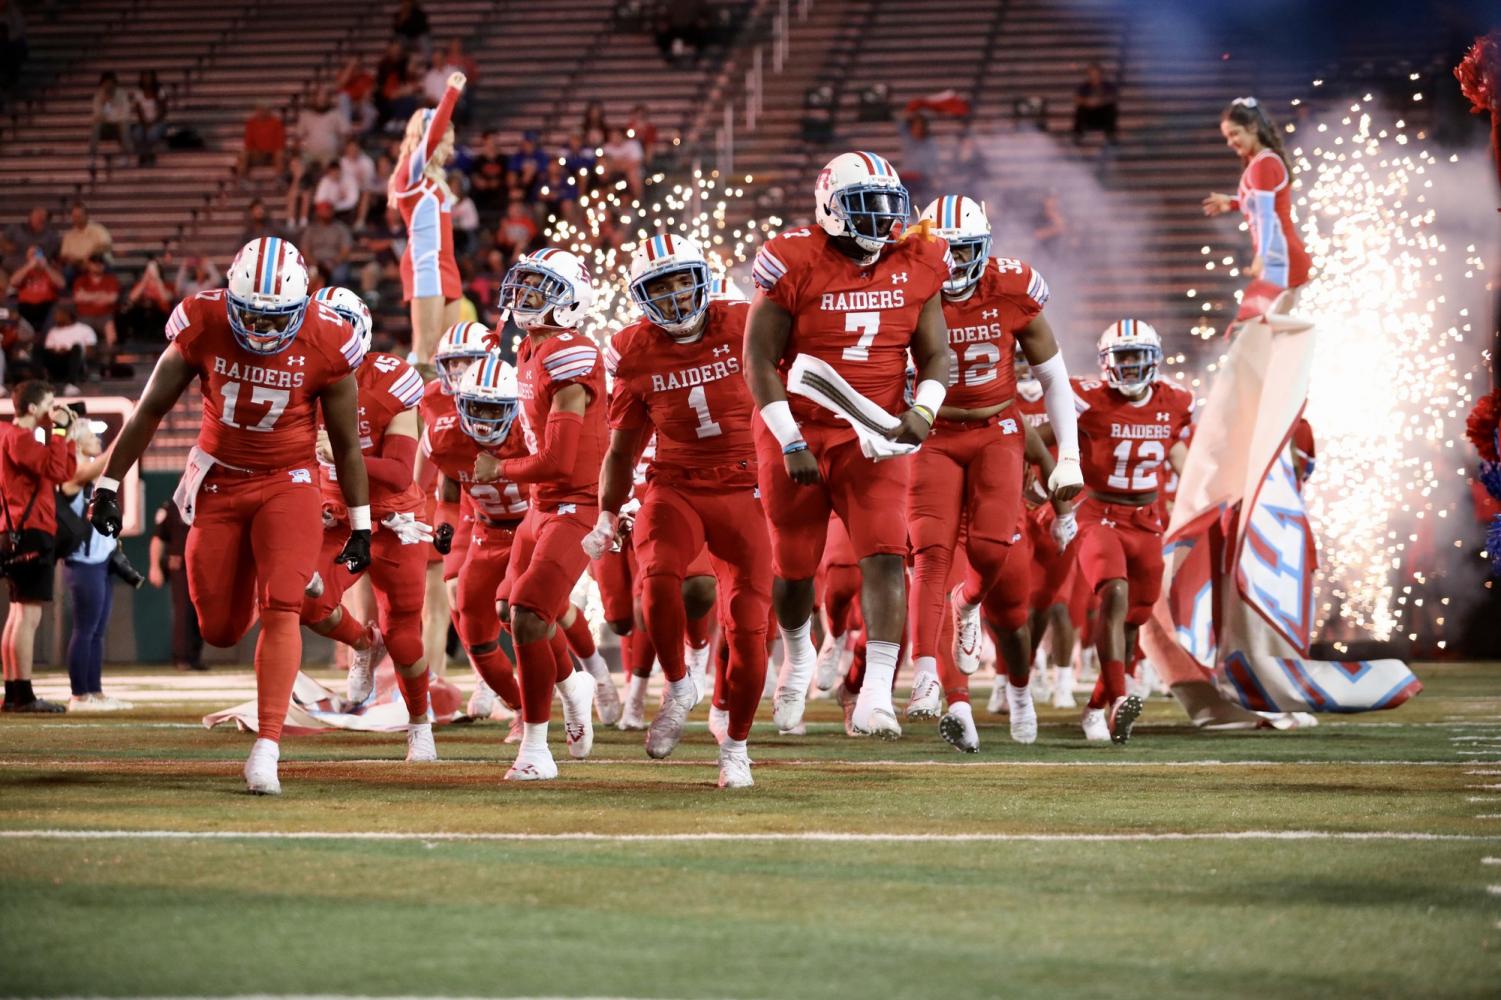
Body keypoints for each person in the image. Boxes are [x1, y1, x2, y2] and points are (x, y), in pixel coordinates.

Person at [86, 236, 372, 795]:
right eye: (251, 318)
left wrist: (361, 523)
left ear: (302, 307)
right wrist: (107, 482)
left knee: (282, 606)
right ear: (231, 301)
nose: (262, 333)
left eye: (276, 321)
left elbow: (346, 446)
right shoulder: (203, 320)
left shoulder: (329, 339)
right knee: (217, 629)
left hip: (289, 481)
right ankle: (289, 585)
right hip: (218, 480)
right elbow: (149, 410)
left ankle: (266, 746)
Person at [744, 151, 951, 739]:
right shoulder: (793, 259)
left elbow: (936, 353)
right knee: (793, 569)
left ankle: (878, 695)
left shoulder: (918, 260)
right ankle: (797, 652)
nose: (882, 219)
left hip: (875, 432)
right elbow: (758, 358)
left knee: (887, 555)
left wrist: (925, 407)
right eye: (865, 206)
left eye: (889, 205)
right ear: (830, 208)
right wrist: (788, 438)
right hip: (800, 425)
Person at [587, 234, 770, 787]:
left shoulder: (743, 320)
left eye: (678, 281)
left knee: (749, 627)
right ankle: (678, 683)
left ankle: (735, 744)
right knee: (658, 577)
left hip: (746, 484)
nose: (671, 298)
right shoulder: (632, 349)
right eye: (657, 288)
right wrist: (605, 513)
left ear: (702, 279)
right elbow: (622, 447)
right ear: (641, 297)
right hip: (675, 483)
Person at [904, 195, 1082, 736]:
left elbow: (1054, 377)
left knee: (989, 549)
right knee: (931, 551)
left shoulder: (1012, 286)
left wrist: (1067, 458)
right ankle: (926, 673)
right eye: (945, 252)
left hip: (997, 430)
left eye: (965, 252)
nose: (954, 264)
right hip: (931, 432)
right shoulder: (903, 286)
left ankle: (967, 602)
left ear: (985, 249)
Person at [478, 247, 606, 781]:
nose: (525, 297)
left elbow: (558, 459)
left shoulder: (569, 355)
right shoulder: (532, 348)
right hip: (542, 505)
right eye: (524, 285)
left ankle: (535, 749)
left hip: (576, 504)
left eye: (540, 289)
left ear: (569, 301)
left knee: (531, 614)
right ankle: (575, 684)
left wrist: (498, 470)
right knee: (511, 609)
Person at [296, 287, 436, 761]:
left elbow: (398, 471)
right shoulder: (297, 380)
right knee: (306, 601)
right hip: (337, 516)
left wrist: (342, 452)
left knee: (405, 634)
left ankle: (419, 724)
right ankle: (362, 642)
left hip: (395, 517)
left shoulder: (390, 379)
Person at [1058, 320, 1193, 744]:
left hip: (1146, 519)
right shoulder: (1087, 398)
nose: (1131, 366)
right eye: (1123, 357)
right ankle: (1120, 698)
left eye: (1137, 356)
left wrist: (1199, 497)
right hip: (1098, 513)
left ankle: (1098, 704)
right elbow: (1047, 434)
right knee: (1112, 593)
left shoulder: (1175, 400)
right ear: (1107, 362)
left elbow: (1175, 450)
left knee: (1136, 614)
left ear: (1153, 359)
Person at [1, 381, 79, 713]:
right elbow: (56, 470)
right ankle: (23, 695)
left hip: (21, 529)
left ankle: (15, 691)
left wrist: (66, 437)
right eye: (48, 403)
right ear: (32, 408)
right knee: (27, 616)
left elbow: (63, 471)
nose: (54, 408)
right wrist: (61, 432)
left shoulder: (23, 437)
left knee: (19, 614)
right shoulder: (18, 437)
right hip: (29, 530)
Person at [1201, 97, 1311, 331]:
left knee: (1255, 327)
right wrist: (1231, 203)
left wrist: (1261, 257)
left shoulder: (1263, 164)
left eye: (1235, 134)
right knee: (1258, 327)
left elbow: (1265, 215)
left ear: (1252, 128)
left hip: (1282, 260)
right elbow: (1260, 206)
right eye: (1227, 137)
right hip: (1277, 256)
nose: (1231, 142)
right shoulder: (1260, 162)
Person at [388, 71, 466, 366]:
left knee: (446, 353)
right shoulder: (409, 175)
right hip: (425, 265)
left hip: (447, 263)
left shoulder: (435, 180)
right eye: (446, 140)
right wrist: (451, 94)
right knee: (424, 352)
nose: (449, 148)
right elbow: (432, 138)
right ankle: (411, 412)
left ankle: (440, 413)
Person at [59, 420, 134, 711]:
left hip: (100, 561)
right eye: (92, 435)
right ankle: (79, 695)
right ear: (77, 441)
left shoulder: (87, 473)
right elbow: (99, 465)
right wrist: (130, 434)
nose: (98, 440)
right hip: (83, 562)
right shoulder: (69, 471)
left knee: (97, 630)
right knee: (85, 629)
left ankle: (95, 692)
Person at [149, 497, 203, 671]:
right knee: (183, 611)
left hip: (203, 566)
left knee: (199, 613)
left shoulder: (208, 501)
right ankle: (181, 657)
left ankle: (194, 657)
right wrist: (154, 567)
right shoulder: (172, 506)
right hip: (180, 567)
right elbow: (158, 538)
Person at [41, 302, 97, 389]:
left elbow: (90, 353)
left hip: (76, 363)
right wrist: (59, 352)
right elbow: (49, 350)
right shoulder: (53, 331)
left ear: (67, 314)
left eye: (57, 313)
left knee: (77, 347)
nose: (54, 316)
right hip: (57, 363)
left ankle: (71, 384)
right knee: (38, 349)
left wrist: (68, 351)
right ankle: (38, 383)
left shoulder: (85, 329)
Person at [8, 244, 65, 330]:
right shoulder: (23, 270)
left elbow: (61, 284)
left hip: (47, 306)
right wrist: (29, 266)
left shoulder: (50, 270)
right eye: (31, 255)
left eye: (36, 254)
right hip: (25, 306)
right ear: (27, 257)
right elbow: (13, 282)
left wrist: (46, 267)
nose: (35, 258)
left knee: (54, 312)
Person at [118, 258, 175, 342]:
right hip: (142, 316)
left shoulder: (167, 285)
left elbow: (166, 298)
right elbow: (132, 298)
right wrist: (145, 279)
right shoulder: (142, 284)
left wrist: (157, 279)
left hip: (160, 315)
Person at [71, 255, 120, 350]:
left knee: (110, 329)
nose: (97, 266)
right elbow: (78, 297)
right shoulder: (81, 280)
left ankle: (108, 360)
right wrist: (101, 295)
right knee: (79, 332)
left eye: (100, 263)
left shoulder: (111, 280)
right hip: (84, 316)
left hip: (104, 316)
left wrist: (88, 296)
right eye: (94, 263)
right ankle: (83, 360)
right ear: (89, 265)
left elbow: (112, 298)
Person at [88, 71, 136, 166]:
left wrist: (113, 119)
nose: (109, 86)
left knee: (124, 125)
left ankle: (125, 156)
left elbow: (126, 113)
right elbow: (97, 116)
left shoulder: (122, 94)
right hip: (106, 126)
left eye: (111, 83)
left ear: (115, 83)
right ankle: (92, 158)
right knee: (96, 126)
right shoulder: (99, 95)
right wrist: (106, 104)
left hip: (119, 123)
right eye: (106, 83)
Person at [234, 103, 286, 182]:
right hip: (257, 154)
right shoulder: (251, 123)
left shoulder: (276, 123)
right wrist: (258, 151)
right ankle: (242, 179)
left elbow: (280, 143)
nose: (262, 112)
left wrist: (270, 150)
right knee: (243, 154)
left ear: (269, 111)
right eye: (260, 110)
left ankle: (280, 178)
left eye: (264, 110)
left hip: (272, 154)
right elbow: (248, 144)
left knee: (280, 153)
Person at [58, 203, 112, 269]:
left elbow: (107, 246)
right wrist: (74, 260)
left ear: (86, 216)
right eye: (74, 217)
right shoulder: (68, 235)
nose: (76, 219)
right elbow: (63, 256)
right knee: (67, 271)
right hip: (76, 265)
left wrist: (90, 255)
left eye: (79, 216)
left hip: (97, 262)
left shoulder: (98, 229)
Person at [131, 70, 168, 166]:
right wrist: (145, 124)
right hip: (143, 122)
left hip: (158, 122)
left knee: (152, 134)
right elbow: (139, 112)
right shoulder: (138, 93)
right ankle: (143, 156)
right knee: (137, 134)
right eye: (145, 77)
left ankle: (151, 156)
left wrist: (153, 123)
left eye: (149, 77)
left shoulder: (160, 91)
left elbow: (163, 111)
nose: (147, 79)